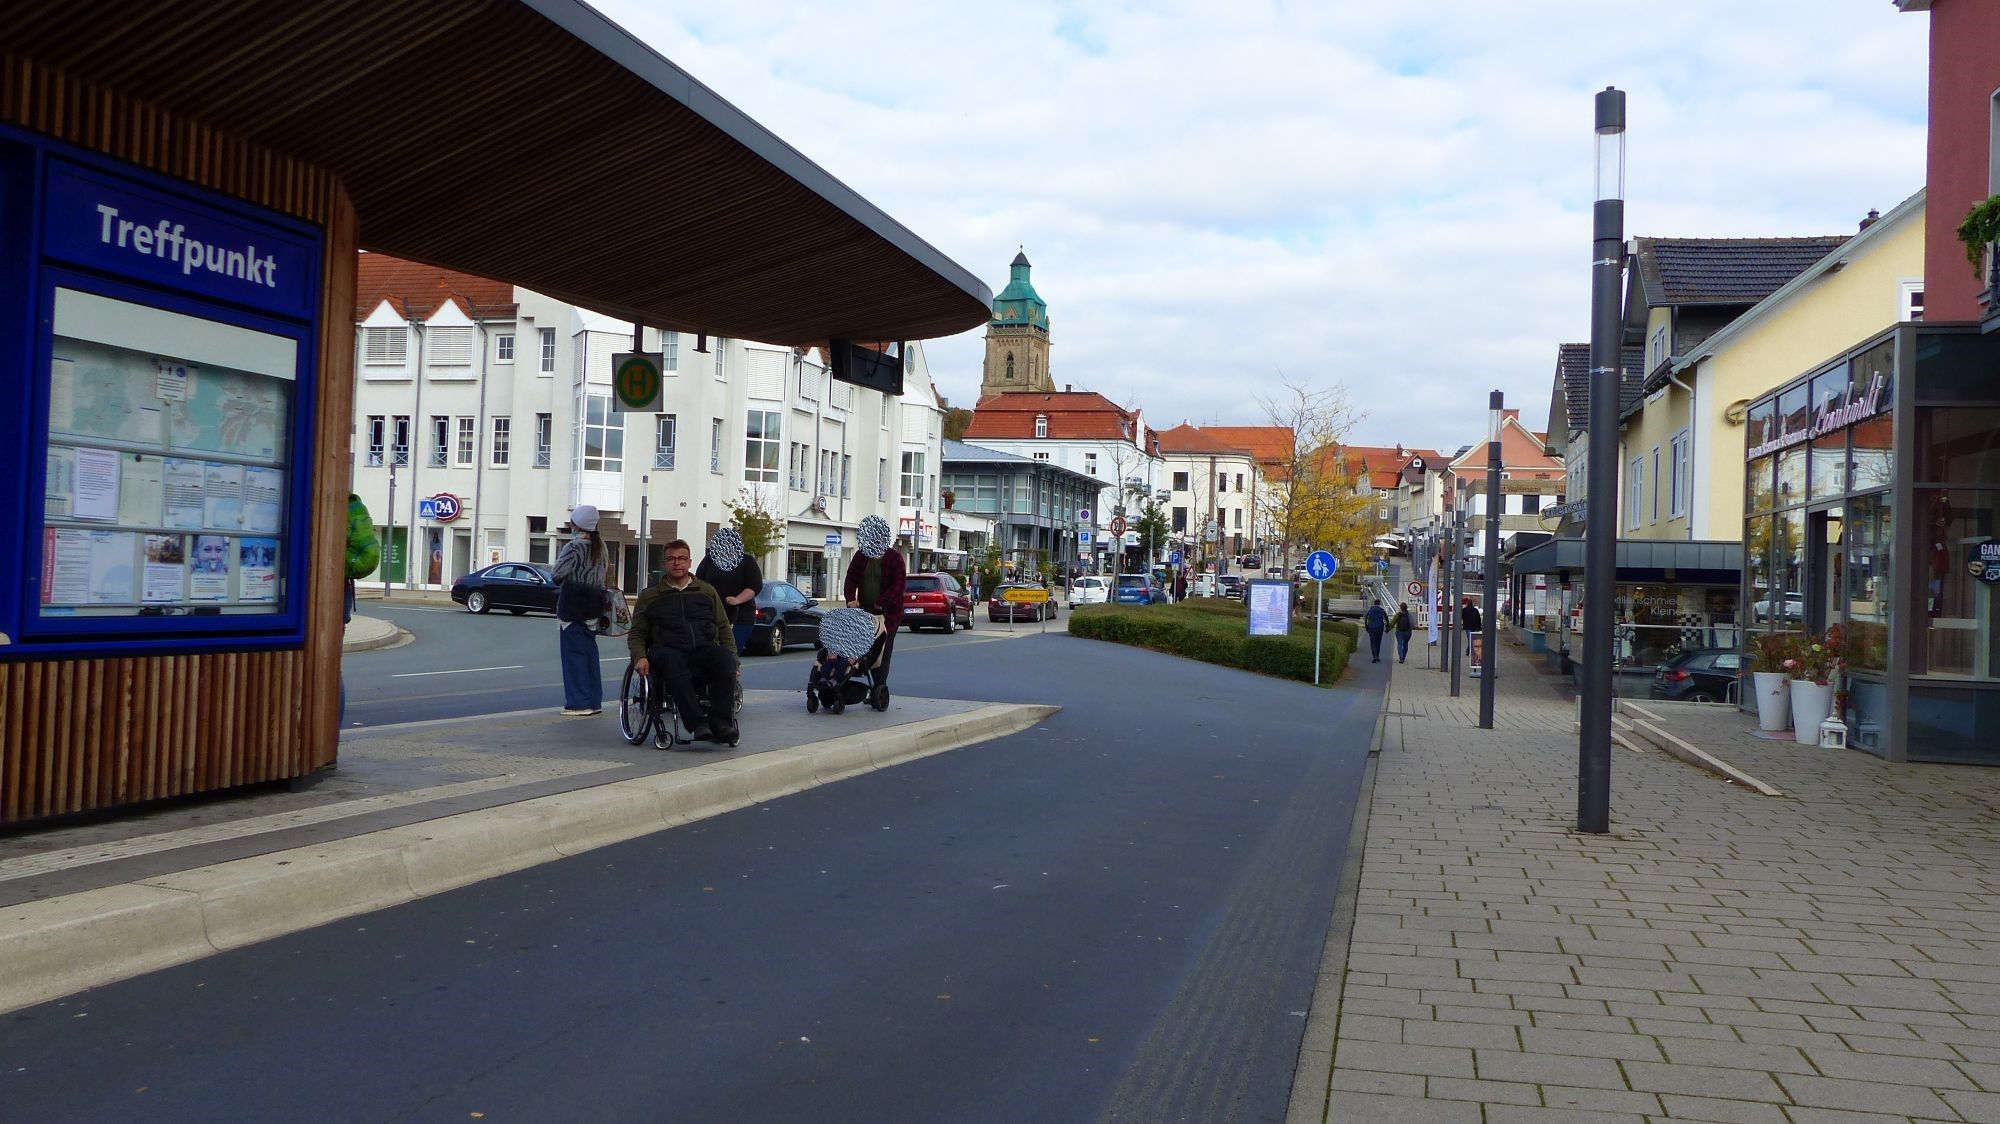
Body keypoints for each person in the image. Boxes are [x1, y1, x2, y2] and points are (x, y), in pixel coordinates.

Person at [630, 540, 738, 745]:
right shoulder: (650, 596)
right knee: (671, 660)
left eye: (681, 559)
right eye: (671, 559)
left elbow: (723, 627)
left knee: (724, 660)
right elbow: (637, 633)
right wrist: (640, 656)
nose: (676, 563)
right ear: (664, 564)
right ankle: (698, 724)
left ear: (689, 562)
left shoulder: (706, 591)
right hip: (667, 650)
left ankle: (721, 724)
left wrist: (734, 660)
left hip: (702, 648)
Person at [552, 504, 610, 716]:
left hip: (572, 606)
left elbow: (557, 574)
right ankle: (594, 701)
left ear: (576, 524)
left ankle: (578, 702)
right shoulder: (601, 546)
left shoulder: (574, 546)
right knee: (589, 654)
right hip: (593, 606)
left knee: (573, 655)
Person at [843, 514, 906, 689]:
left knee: (883, 651)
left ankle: (879, 686)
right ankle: (846, 676)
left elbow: (898, 585)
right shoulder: (860, 556)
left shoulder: (895, 558)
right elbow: (851, 579)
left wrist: (882, 601)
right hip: (864, 613)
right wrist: (850, 599)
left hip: (888, 615)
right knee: (858, 647)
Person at [341, 494, 379, 727]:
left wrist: (335, 561)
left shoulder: (341, 509)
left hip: (328, 595)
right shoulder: (354, 507)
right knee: (332, 668)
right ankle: (329, 742)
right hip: (341, 596)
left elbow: (367, 557)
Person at [697, 526, 763, 656]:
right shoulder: (709, 561)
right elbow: (699, 582)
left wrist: (737, 599)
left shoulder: (747, 562)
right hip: (711, 615)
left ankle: (731, 672)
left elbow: (754, 586)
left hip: (740, 617)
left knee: (730, 653)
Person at [1461, 595, 1483, 666]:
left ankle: (1469, 651)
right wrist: (1479, 628)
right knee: (1472, 639)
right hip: (1474, 627)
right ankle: (1469, 651)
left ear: (1467, 603)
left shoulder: (1464, 610)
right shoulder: (1475, 610)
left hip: (1467, 627)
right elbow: (1478, 620)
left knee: (1469, 639)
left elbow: (1461, 617)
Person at [1363, 598, 1388, 663]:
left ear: (1374, 603)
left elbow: (1366, 620)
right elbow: (1386, 620)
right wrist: (1387, 628)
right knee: (1378, 642)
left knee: (1373, 642)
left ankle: (1374, 656)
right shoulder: (1382, 611)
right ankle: (1377, 656)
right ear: (1379, 604)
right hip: (1380, 628)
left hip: (1372, 628)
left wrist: (1367, 628)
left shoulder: (1370, 611)